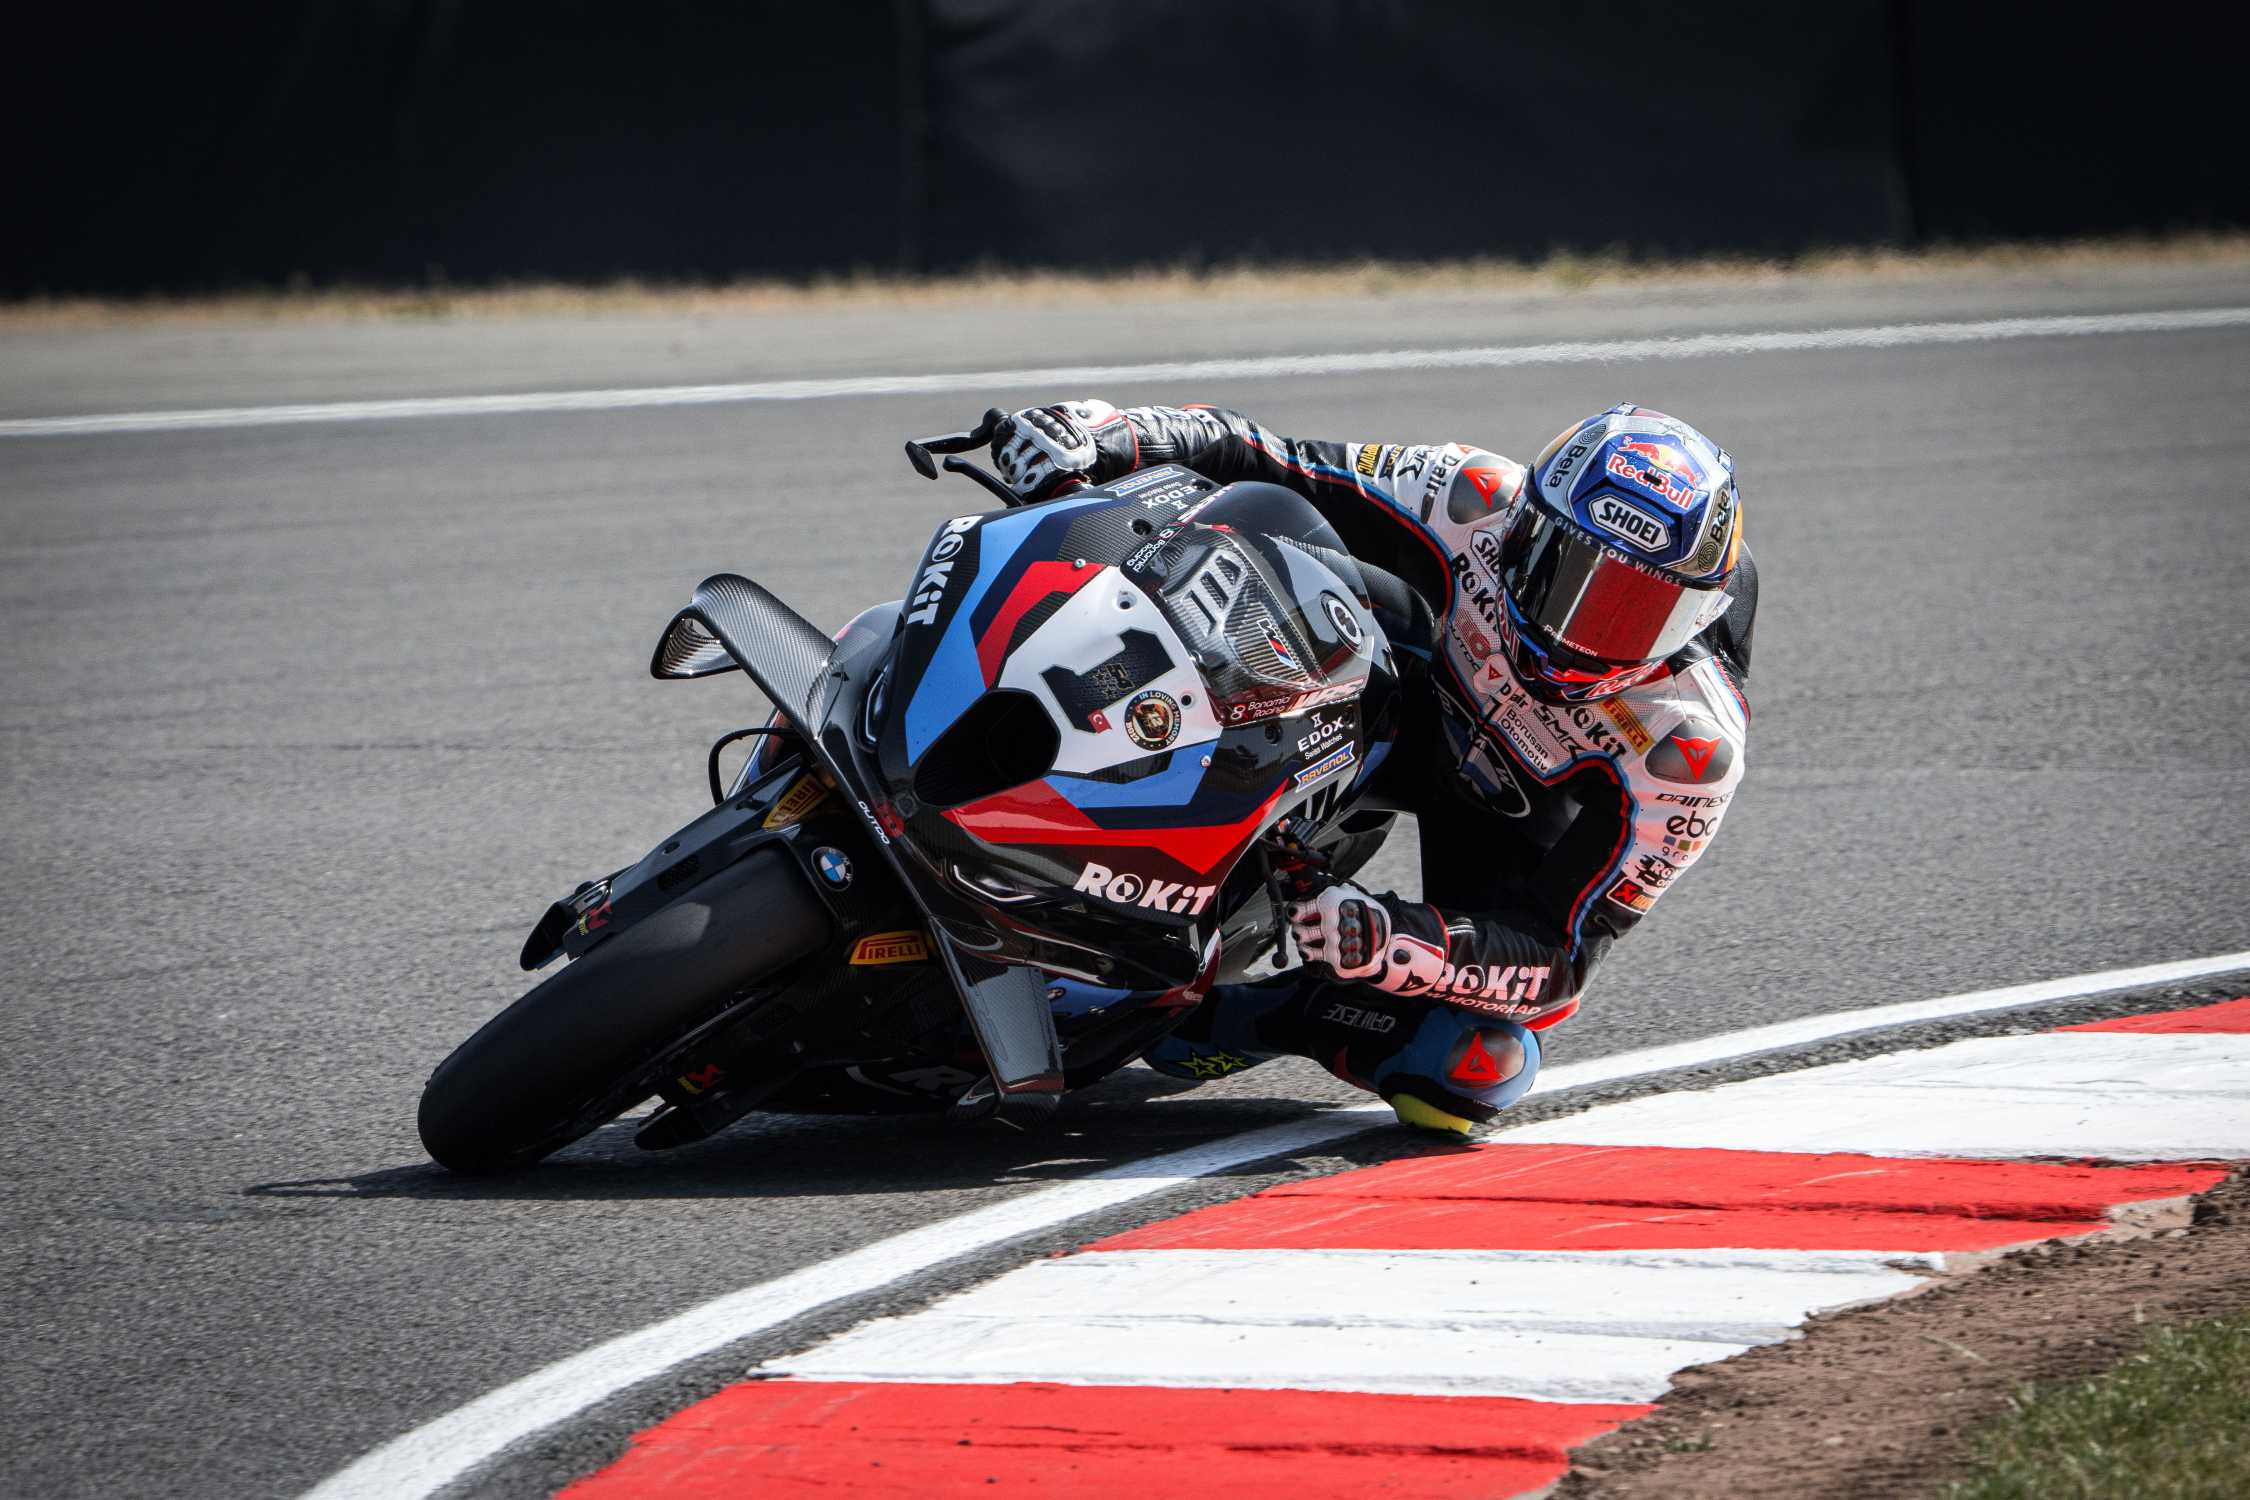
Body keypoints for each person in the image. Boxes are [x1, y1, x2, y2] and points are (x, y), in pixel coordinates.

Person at [988, 399, 1756, 1133]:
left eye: (1634, 610)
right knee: (1255, 558)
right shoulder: (1471, 496)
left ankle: (1245, 1013)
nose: (1582, 633)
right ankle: (1067, 776)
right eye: (1569, 574)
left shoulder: (1687, 752)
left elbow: (1558, 963)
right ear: (1527, 529)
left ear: (1696, 615)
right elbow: (1268, 458)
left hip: (1503, 820)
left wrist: (1393, 939)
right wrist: (1111, 433)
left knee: (1474, 1066)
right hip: (1391, 701)